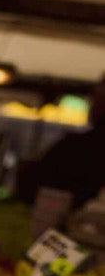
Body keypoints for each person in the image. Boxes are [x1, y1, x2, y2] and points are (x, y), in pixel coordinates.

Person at [27, 80, 105, 210]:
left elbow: (32, 183)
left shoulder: (76, 147)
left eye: (98, 98)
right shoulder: (74, 146)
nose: (93, 104)